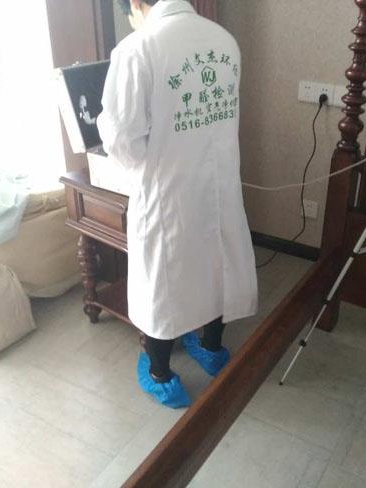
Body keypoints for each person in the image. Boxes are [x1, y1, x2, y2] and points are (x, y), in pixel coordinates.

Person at [98, 0, 258, 409]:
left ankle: (161, 374)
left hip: (167, 190)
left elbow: (122, 140)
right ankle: (212, 349)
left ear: (137, 3)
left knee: (162, 280)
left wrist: (143, 160)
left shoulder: (138, 48)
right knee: (216, 263)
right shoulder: (224, 41)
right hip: (218, 182)